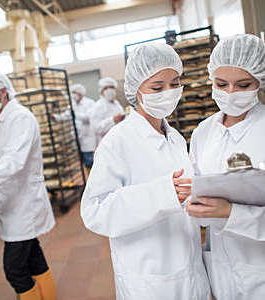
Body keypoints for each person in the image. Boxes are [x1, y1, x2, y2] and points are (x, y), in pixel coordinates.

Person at [81, 44, 210, 299]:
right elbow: (95, 210)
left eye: (175, 83)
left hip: (189, 266)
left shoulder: (173, 138)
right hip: (150, 277)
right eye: (157, 88)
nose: (169, 93)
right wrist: (161, 194)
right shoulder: (117, 141)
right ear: (136, 90)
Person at [187, 34, 265, 300]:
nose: (230, 93)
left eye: (243, 85)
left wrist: (233, 213)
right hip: (218, 267)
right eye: (222, 84)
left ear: (259, 81)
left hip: (259, 269)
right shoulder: (203, 133)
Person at [0, 73, 56, 300]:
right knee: (34, 259)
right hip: (12, 204)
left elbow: (14, 161)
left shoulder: (20, 118)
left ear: (2, 92)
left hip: (24, 204)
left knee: (14, 269)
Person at [52, 83, 96, 171]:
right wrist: (56, 117)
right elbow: (67, 115)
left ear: (80, 93)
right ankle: (88, 178)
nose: (73, 95)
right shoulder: (73, 104)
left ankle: (94, 178)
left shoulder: (89, 103)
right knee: (84, 161)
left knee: (90, 161)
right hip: (77, 138)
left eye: (74, 93)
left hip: (87, 137)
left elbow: (88, 118)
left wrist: (75, 114)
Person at [91, 77, 125, 144]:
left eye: (112, 87)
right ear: (101, 91)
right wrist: (112, 120)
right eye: (106, 88)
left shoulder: (116, 103)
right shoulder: (98, 106)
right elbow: (96, 128)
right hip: (108, 143)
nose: (110, 90)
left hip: (120, 140)